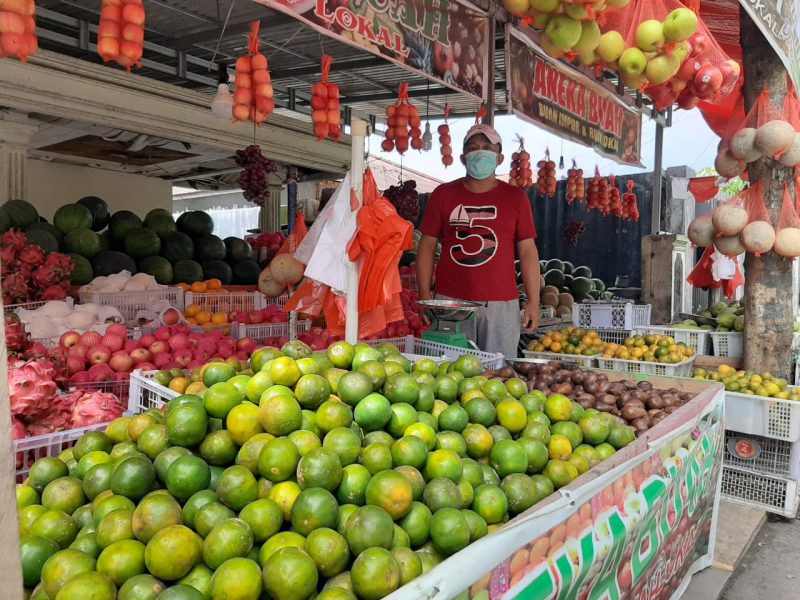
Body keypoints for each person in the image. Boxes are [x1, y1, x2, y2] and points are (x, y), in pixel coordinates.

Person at [416, 123, 541, 359]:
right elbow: (427, 246)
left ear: (499, 157)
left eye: (487, 147)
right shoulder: (443, 194)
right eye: (473, 147)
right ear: (463, 158)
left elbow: (527, 252)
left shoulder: (516, 198)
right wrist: (424, 295)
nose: (479, 151)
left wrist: (534, 302)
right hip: (450, 302)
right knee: (448, 373)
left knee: (498, 373)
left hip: (502, 305)